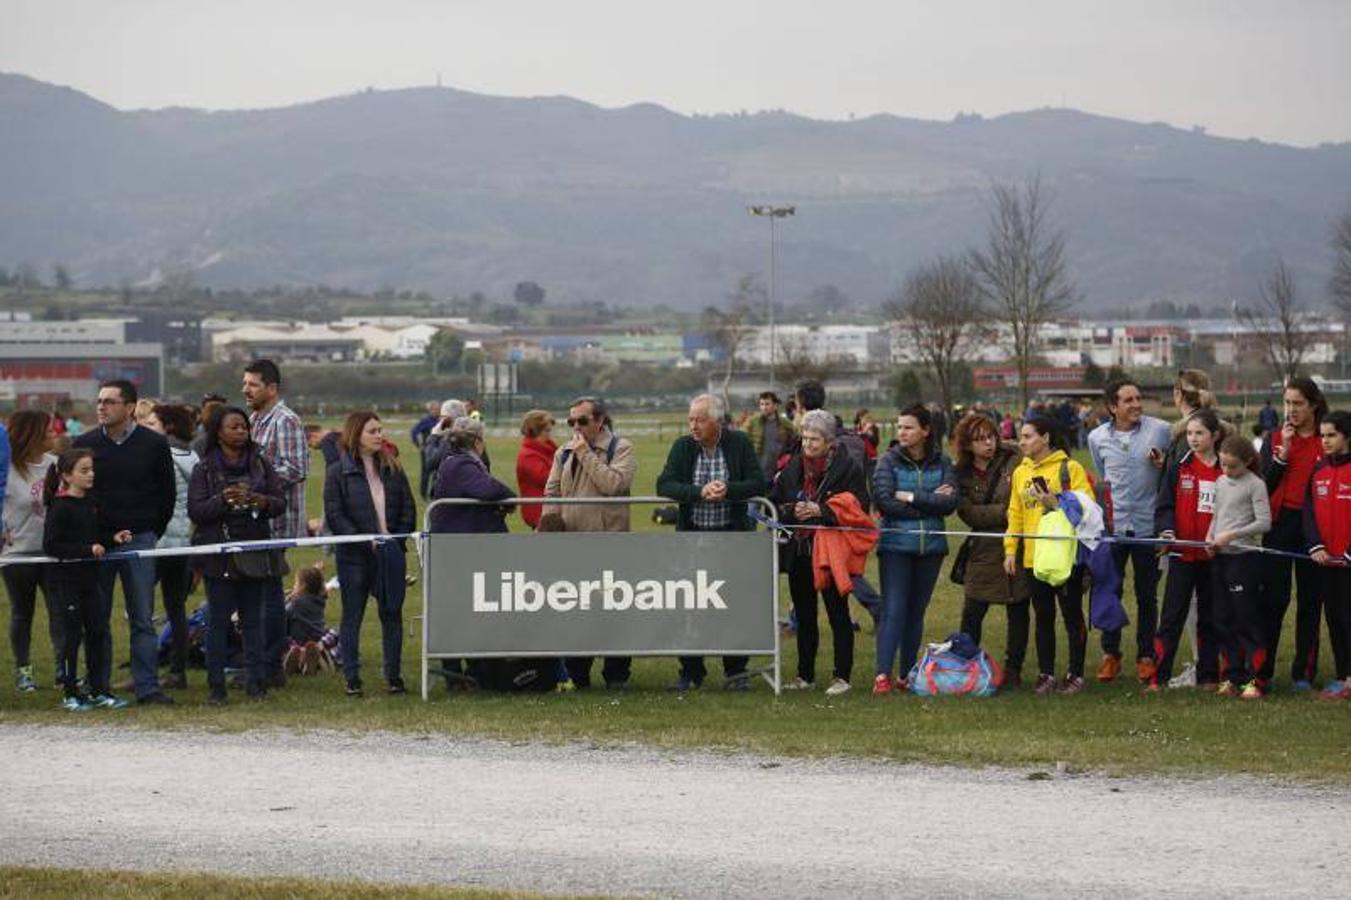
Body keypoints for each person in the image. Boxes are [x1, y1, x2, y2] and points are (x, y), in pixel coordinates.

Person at [72, 380, 176, 705]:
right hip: (98, 544)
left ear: (130, 407)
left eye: (110, 402)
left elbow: (167, 494)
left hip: (140, 540)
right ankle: (98, 686)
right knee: (96, 619)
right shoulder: (84, 443)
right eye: (99, 401)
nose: (101, 407)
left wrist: (149, 531)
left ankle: (147, 687)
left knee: (142, 618)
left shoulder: (154, 444)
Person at [656, 393, 766, 691]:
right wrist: (698, 492)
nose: (693, 425)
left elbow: (759, 483)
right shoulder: (682, 447)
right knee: (691, 605)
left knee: (733, 604)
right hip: (694, 539)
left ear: (717, 421)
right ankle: (691, 672)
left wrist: (728, 489)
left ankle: (735, 672)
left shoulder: (739, 443)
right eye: (691, 419)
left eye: (700, 420)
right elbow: (664, 484)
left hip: (732, 538)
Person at [188, 405, 286, 705]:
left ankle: (256, 683)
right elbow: (196, 510)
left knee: (253, 621)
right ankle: (216, 687)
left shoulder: (260, 463)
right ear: (218, 432)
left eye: (244, 426)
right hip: (219, 554)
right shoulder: (204, 468)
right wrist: (223, 500)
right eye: (234, 427)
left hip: (254, 551)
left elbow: (279, 502)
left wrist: (259, 500)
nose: (241, 431)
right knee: (217, 622)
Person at [769, 409, 866, 695]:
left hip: (831, 551)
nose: (808, 444)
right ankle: (805, 674)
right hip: (799, 551)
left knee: (838, 614)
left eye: (814, 439)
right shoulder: (793, 466)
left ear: (830, 442)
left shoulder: (848, 468)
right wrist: (790, 510)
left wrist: (821, 511)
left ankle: (842, 676)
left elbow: (858, 507)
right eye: (805, 438)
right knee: (804, 614)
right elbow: (777, 500)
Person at [542, 397, 637, 689]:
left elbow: (613, 485)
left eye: (582, 421)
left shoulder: (621, 448)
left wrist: (584, 452)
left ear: (599, 420)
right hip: (572, 546)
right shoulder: (563, 452)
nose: (576, 427)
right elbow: (551, 492)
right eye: (571, 422)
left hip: (610, 545)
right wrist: (548, 526)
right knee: (575, 613)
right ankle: (577, 673)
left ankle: (616, 674)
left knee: (613, 611)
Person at [324, 412, 417, 697]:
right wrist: (365, 542)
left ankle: (393, 676)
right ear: (356, 435)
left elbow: (408, 508)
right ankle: (351, 677)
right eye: (372, 431)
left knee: (392, 614)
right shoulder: (337, 472)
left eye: (380, 430)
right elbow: (335, 515)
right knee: (353, 616)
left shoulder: (393, 467)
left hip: (390, 554)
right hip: (355, 557)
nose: (379, 435)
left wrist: (394, 541)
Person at [1087, 377, 1172, 684]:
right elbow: (1102, 474)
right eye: (1128, 400)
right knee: (1109, 590)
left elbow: (1173, 475)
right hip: (1114, 528)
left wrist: (1163, 466)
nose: (1136, 405)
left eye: (1138, 398)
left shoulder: (1160, 431)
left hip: (1149, 527)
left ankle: (1146, 656)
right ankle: (1111, 655)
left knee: (1147, 595)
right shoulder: (1096, 438)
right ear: (1112, 407)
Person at [871, 403, 958, 695]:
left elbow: (949, 503)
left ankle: (907, 674)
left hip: (931, 548)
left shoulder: (943, 462)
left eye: (908, 427)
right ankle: (882, 674)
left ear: (925, 430)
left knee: (916, 613)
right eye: (900, 427)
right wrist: (927, 504)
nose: (902, 432)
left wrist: (910, 496)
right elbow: (884, 502)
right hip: (896, 546)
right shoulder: (888, 461)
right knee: (894, 610)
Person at [1003, 416, 1093, 695]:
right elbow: (1015, 512)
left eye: (1028, 436)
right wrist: (1010, 549)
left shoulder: (1070, 468)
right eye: (1021, 436)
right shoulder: (1021, 472)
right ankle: (1046, 674)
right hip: (1034, 558)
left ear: (1046, 438)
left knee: (1071, 615)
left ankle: (1075, 673)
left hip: (1065, 557)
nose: (1022, 441)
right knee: (1043, 616)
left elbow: (1088, 508)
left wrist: (1056, 503)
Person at [42, 448, 132, 710]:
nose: (91, 474)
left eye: (91, 469)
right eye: (84, 470)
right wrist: (86, 550)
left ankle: (98, 690)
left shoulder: (91, 502)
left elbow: (92, 535)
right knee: (72, 637)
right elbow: (52, 545)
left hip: (90, 581)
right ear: (67, 476)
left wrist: (112, 538)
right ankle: (70, 693)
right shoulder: (59, 507)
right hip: (66, 582)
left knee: (97, 632)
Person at [1257, 375, 1328, 690]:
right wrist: (1282, 454)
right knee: (1273, 599)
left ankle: (1303, 674)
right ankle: (1263, 672)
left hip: (1315, 526)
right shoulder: (1274, 437)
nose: (1291, 410)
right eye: (1287, 403)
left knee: (1311, 601)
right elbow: (1262, 487)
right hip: (1280, 523)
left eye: (1298, 403)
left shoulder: (1326, 438)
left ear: (1313, 405)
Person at [242, 358, 309, 687]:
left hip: (276, 523)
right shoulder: (255, 419)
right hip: (254, 523)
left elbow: (295, 468)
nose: (245, 389)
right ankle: (261, 661)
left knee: (268, 598)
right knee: (257, 597)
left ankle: (271, 666)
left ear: (272, 388)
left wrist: (252, 484)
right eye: (245, 383)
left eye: (252, 384)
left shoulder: (285, 420)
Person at [953, 411, 1031, 688]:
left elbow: (1024, 498)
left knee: (1018, 608)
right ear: (967, 445)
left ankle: (1014, 670)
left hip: (1015, 546)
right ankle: (965, 667)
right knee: (973, 608)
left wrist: (1012, 514)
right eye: (979, 439)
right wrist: (1007, 512)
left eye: (990, 436)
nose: (987, 443)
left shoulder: (1015, 459)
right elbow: (969, 513)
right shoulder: (960, 474)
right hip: (983, 549)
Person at [1151, 409, 1226, 691]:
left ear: (1214, 436)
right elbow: (1164, 505)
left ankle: (1208, 675)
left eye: (1200, 434)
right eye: (1190, 434)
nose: (1193, 439)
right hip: (1182, 555)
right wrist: (1167, 530)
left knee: (1210, 615)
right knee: (1172, 615)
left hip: (1213, 557)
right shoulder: (1179, 466)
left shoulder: (1225, 469)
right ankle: (1158, 676)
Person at [1207, 435, 1272, 700]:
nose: (1226, 470)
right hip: (1220, 557)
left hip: (1244, 558)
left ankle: (1256, 678)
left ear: (1247, 462)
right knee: (1223, 618)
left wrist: (1232, 535)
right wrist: (1211, 538)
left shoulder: (1255, 485)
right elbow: (1217, 514)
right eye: (1222, 464)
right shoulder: (1220, 482)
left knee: (1246, 618)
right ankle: (1232, 675)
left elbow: (1264, 522)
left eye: (1232, 466)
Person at [141, 404, 199, 689]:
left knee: (141, 609)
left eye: (152, 424)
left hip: (158, 539)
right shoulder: (193, 455)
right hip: (183, 542)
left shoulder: (160, 457)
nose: (145, 428)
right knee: (176, 608)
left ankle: (146, 670)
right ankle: (177, 671)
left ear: (169, 428)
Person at [3, 410, 60, 692]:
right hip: (18, 555)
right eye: (49, 430)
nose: (55, 434)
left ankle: (65, 669)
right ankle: (23, 670)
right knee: (21, 613)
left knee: (59, 613)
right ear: (33, 433)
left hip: (53, 553)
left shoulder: (57, 465)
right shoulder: (7, 469)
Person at [1304, 410, 1351, 700]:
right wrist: (1316, 545)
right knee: (1334, 617)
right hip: (1326, 562)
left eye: (1332, 435)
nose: (1325, 441)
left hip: (1349, 562)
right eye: (1323, 435)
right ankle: (1342, 675)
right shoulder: (1318, 470)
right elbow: (1308, 513)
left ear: (1346, 436)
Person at [515, 409, 557, 531]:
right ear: (535, 431)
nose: (550, 434)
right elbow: (548, 479)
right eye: (547, 431)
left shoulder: (548, 449)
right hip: (540, 514)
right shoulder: (528, 455)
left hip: (550, 511)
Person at [745, 391, 797, 480]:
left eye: (767, 404)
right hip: (757, 468)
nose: (764, 407)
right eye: (761, 404)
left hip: (778, 469)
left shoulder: (785, 424)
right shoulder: (752, 422)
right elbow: (744, 441)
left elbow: (795, 440)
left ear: (775, 406)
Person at [411, 401, 441, 499]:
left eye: (438, 409)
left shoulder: (441, 421)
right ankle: (423, 495)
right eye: (435, 409)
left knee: (437, 473)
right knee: (426, 473)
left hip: (439, 450)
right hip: (427, 451)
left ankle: (434, 493)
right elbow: (414, 432)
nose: (437, 411)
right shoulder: (425, 421)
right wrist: (418, 445)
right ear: (430, 410)